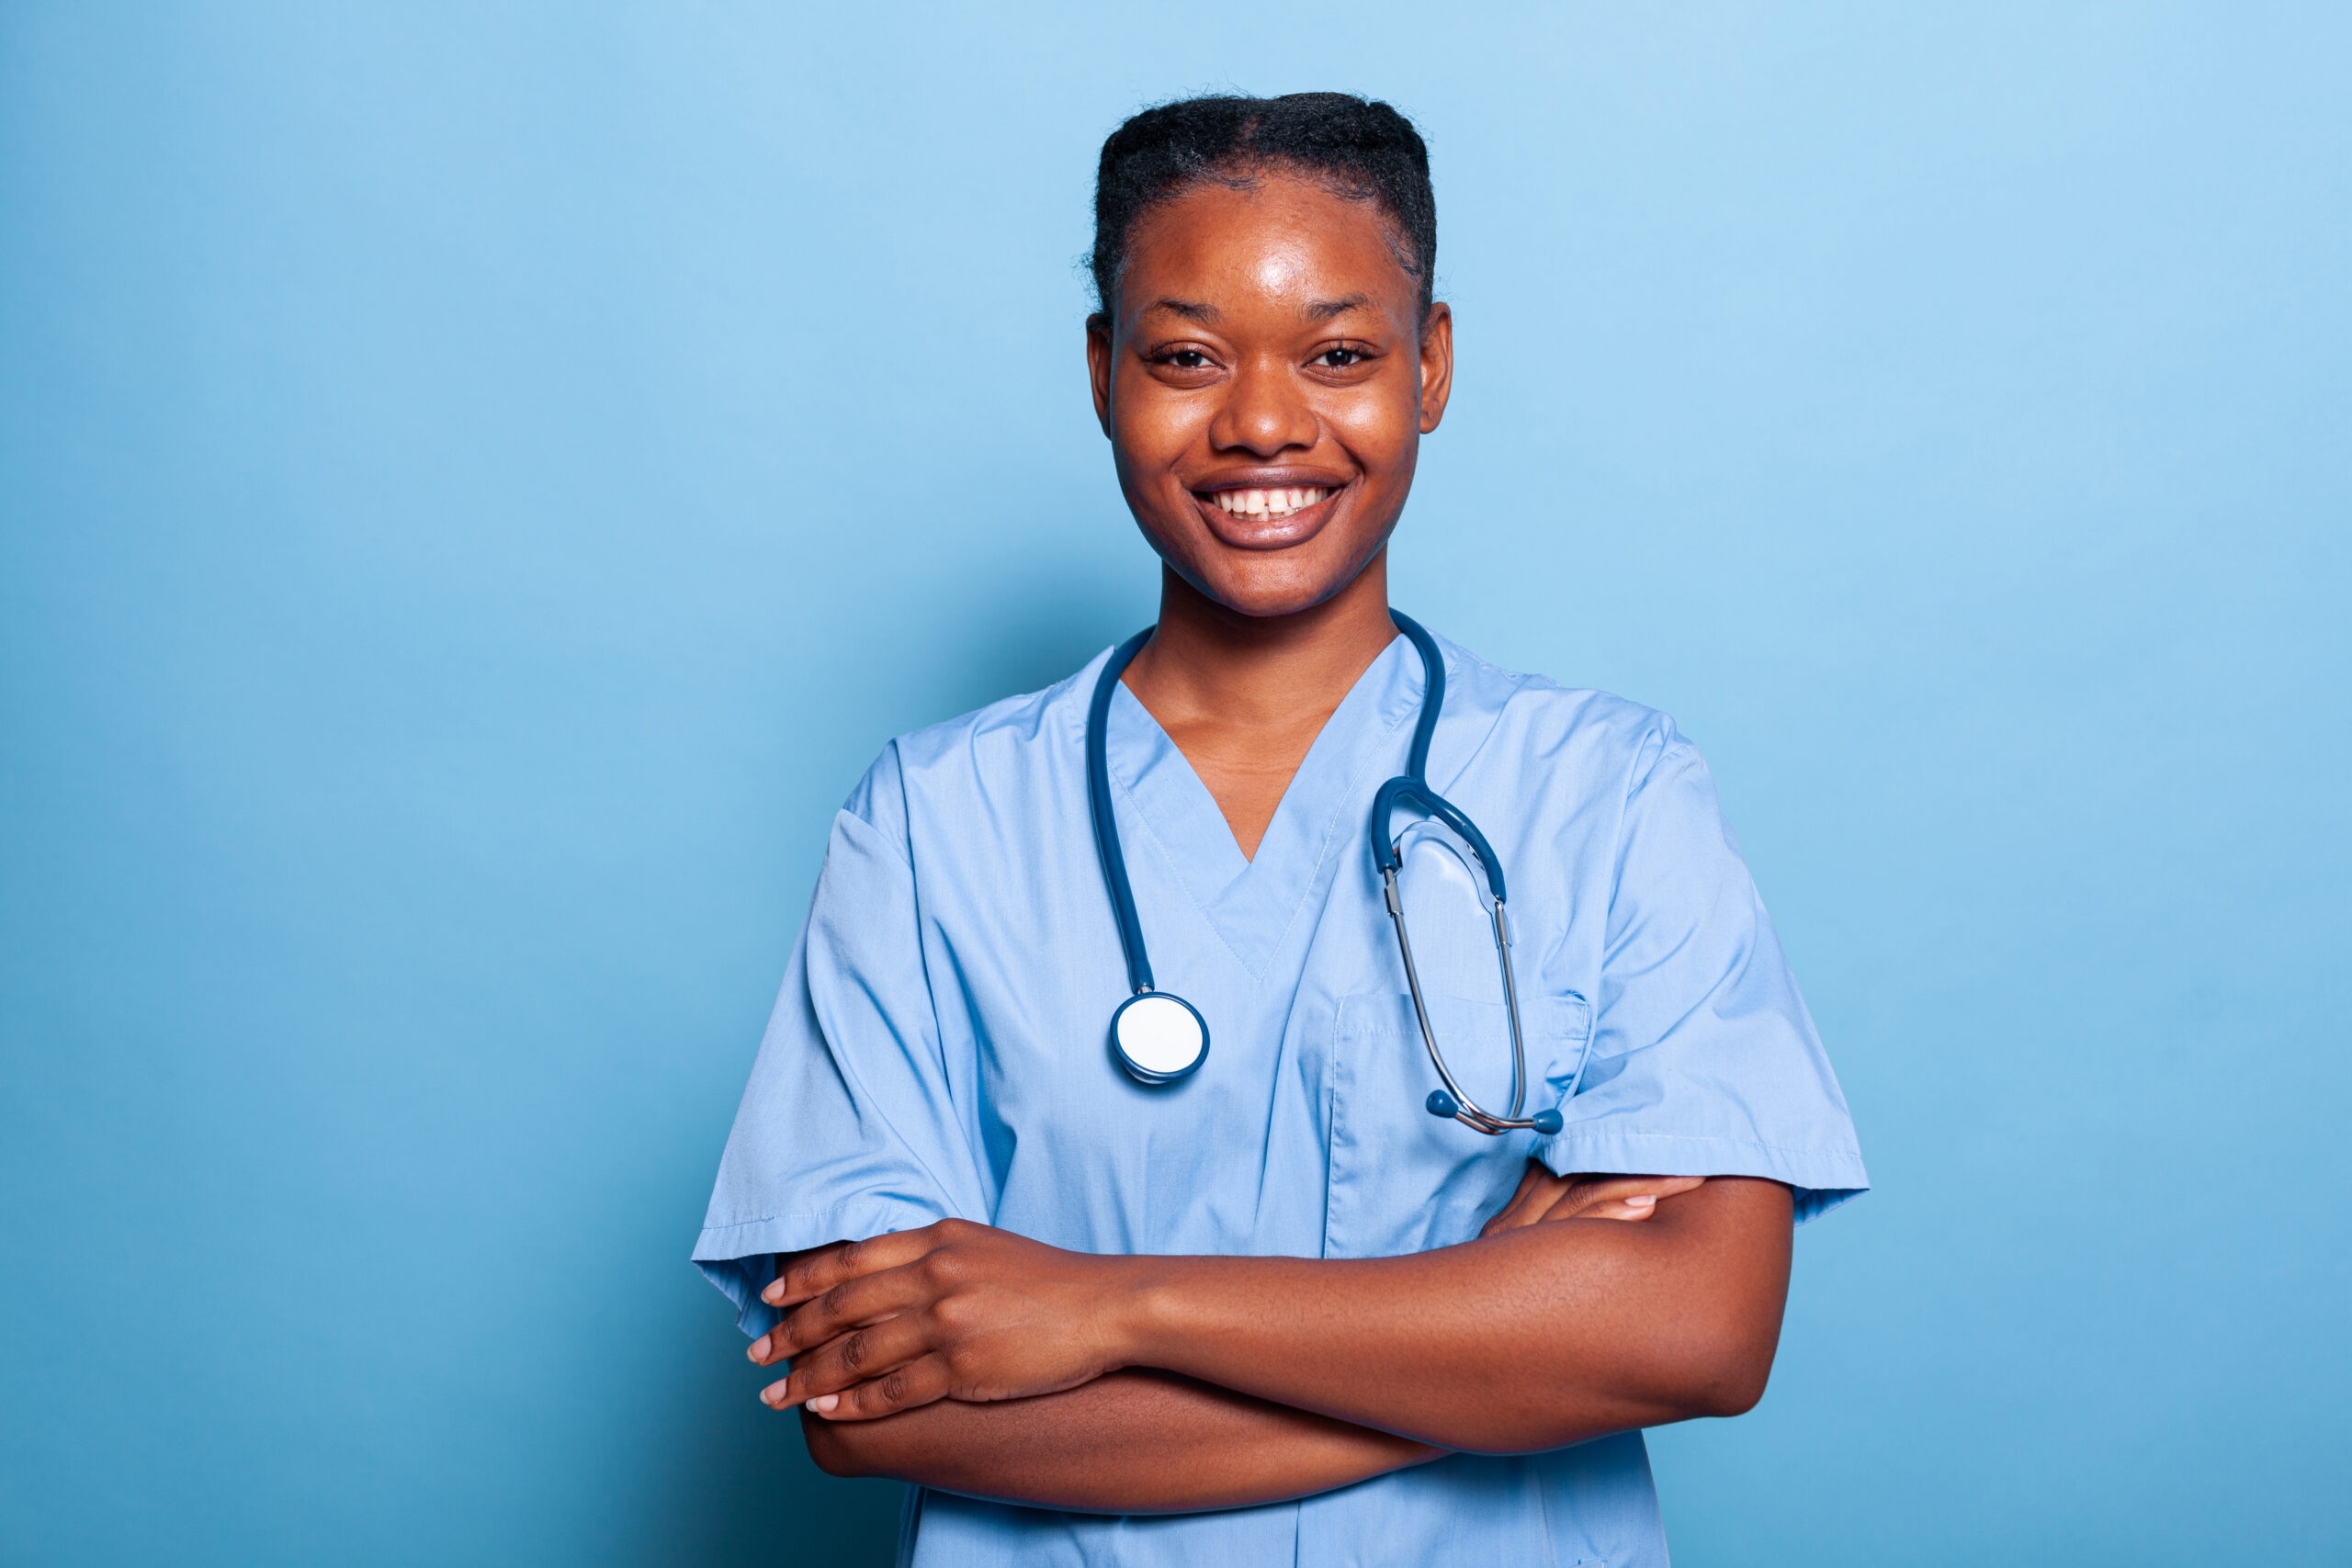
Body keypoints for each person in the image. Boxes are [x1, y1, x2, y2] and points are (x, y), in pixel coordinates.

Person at [694, 92, 1867, 1567]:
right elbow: (862, 1408)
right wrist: (1502, 1337)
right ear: (1103, 372)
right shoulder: (933, 824)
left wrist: (1108, 1304)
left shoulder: (1611, 794)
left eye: (1339, 354)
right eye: (1185, 356)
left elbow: (1700, 1335)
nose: (1260, 420)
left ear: (1429, 367)